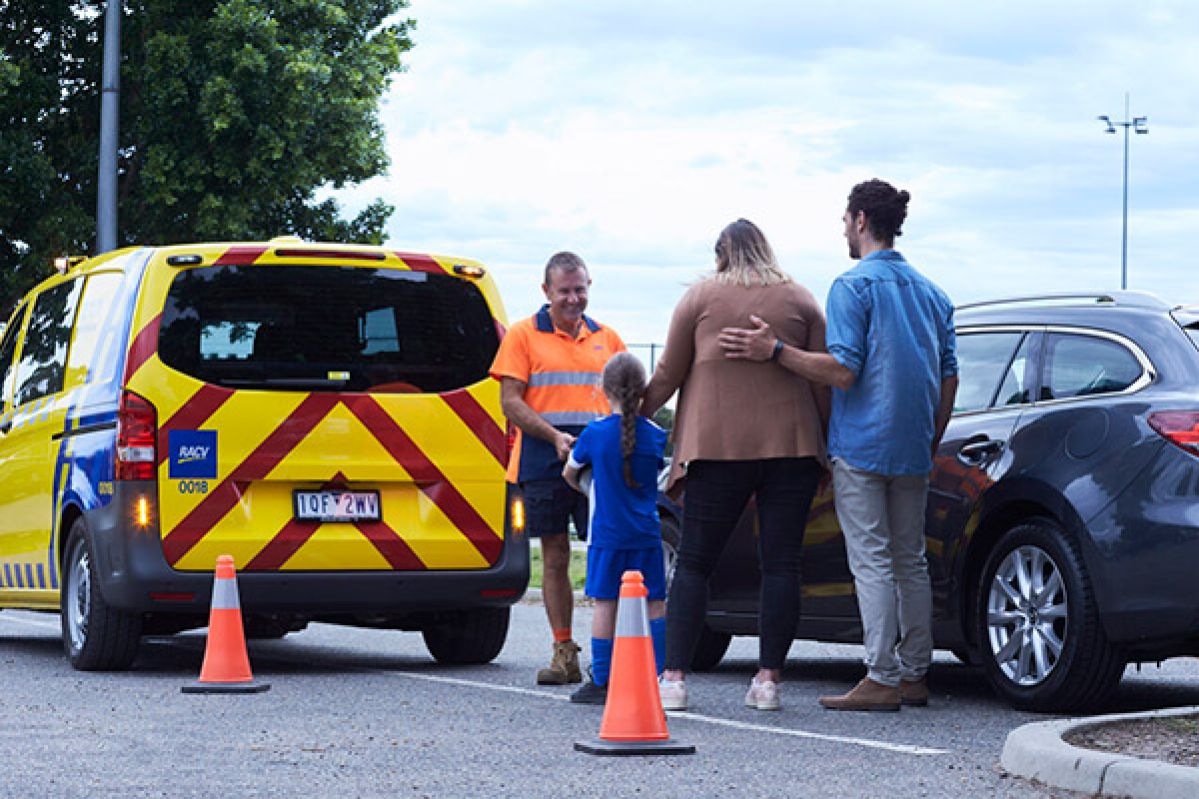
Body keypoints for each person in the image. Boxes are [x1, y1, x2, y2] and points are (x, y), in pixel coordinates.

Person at [719, 179, 958, 711]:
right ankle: (916, 673)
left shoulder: (852, 287)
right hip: (914, 446)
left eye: (844, 221)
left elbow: (843, 371)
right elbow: (949, 377)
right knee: (910, 559)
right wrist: (930, 435)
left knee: (871, 560)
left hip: (863, 444)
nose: (843, 230)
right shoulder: (934, 294)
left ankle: (880, 676)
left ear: (858, 221)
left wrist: (775, 350)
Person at [641, 218, 828, 712]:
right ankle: (768, 680)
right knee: (782, 563)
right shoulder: (802, 300)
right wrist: (825, 444)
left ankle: (676, 678)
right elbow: (821, 381)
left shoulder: (699, 299)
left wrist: (628, 420)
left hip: (716, 448)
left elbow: (666, 376)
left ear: (721, 253)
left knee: (695, 562)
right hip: (792, 447)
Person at [490, 252, 626, 685]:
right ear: (546, 291)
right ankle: (564, 651)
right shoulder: (522, 335)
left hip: (598, 464)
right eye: (564, 291)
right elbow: (510, 400)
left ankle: (615, 652)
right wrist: (554, 437)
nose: (573, 298)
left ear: (590, 286)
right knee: (554, 554)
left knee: (611, 553)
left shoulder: (608, 338)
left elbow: (628, 399)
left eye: (580, 289)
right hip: (543, 456)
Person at [562, 353, 669, 704]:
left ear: (602, 388)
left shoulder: (593, 433)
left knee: (605, 602)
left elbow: (570, 472)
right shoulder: (655, 435)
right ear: (643, 389)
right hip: (646, 534)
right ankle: (659, 674)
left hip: (606, 534)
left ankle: (603, 680)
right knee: (654, 602)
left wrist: (589, 489)